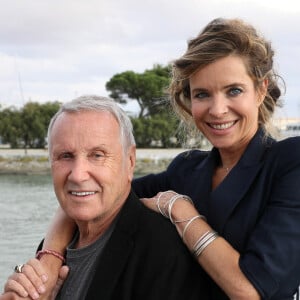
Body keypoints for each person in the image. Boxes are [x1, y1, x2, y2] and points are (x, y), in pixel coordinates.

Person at [4, 17, 300, 299]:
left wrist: (181, 212)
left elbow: (251, 291)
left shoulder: (289, 162)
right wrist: (50, 260)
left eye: (233, 90)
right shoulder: (187, 170)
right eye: (202, 95)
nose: (218, 109)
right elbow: (88, 195)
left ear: (261, 90)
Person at [1, 95, 208, 299]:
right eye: (65, 156)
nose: (78, 175)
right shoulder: (55, 248)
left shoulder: (161, 251)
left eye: (97, 155)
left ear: (130, 161)